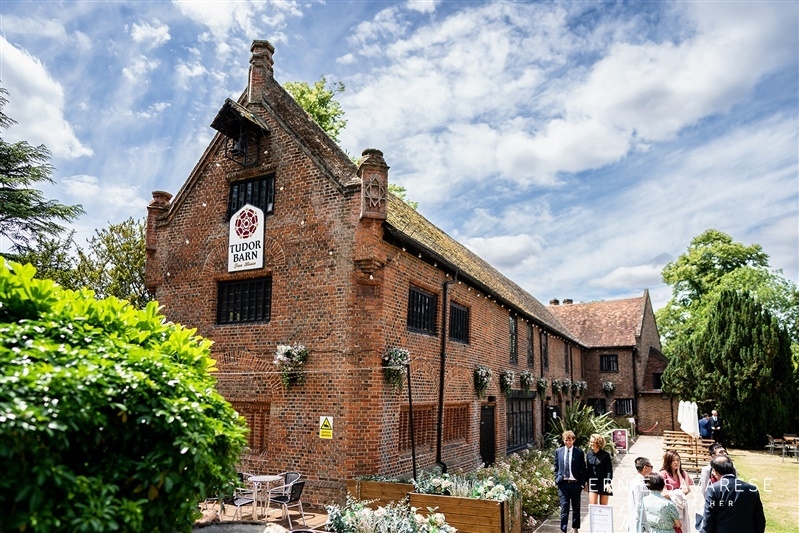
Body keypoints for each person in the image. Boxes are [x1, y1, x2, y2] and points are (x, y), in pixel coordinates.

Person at [700, 455, 765, 533]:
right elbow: (760, 520)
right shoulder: (752, 489)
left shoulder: (713, 489)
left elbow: (708, 519)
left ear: (714, 471)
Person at [554, 430, 587, 533]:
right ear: (563, 441)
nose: (568, 442)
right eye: (566, 440)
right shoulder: (558, 451)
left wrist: (582, 483)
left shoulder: (579, 453)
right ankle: (563, 529)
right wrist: (557, 479)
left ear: (574, 440)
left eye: (570, 440)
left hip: (575, 484)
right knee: (564, 507)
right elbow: (556, 466)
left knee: (576, 507)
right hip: (563, 484)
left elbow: (583, 468)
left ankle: (575, 527)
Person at [659, 450, 693, 533]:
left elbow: (687, 490)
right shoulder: (662, 474)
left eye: (678, 460)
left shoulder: (684, 473)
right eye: (673, 460)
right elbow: (663, 494)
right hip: (668, 507)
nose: (676, 462)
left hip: (681, 507)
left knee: (682, 528)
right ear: (668, 461)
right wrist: (679, 493)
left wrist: (680, 475)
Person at [627, 456, 653, 533]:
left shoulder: (635, 481)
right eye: (651, 466)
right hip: (639, 524)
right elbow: (640, 506)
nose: (652, 469)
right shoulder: (639, 484)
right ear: (645, 468)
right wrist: (645, 524)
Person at [586, 433, 613, 505]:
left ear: (598, 443)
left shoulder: (605, 455)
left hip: (604, 482)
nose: (592, 444)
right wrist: (586, 482)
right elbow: (587, 469)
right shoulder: (588, 454)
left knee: (603, 507)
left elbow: (609, 470)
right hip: (593, 482)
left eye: (594, 442)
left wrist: (608, 483)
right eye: (591, 442)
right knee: (592, 505)